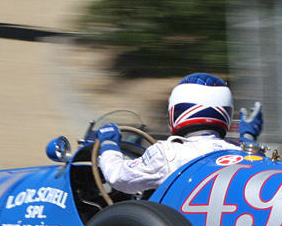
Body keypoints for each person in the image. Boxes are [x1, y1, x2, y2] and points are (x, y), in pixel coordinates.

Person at [95, 73, 263, 194]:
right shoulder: (243, 152)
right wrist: (249, 138)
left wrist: (109, 144)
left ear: (176, 111)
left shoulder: (166, 153)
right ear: (226, 112)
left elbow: (118, 178)